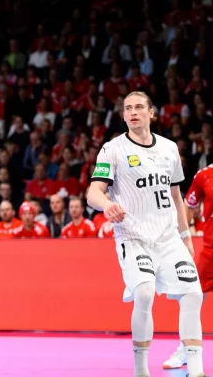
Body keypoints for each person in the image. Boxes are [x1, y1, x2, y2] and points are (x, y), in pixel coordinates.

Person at [86, 91, 205, 377]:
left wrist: (185, 235)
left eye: (139, 107)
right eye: (128, 108)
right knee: (144, 292)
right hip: (133, 236)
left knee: (193, 293)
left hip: (168, 238)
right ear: (124, 115)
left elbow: (176, 196)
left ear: (151, 113)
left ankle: (197, 369)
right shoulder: (112, 150)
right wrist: (107, 205)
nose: (133, 112)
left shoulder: (168, 148)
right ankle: (141, 370)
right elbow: (93, 192)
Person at [163, 162, 213, 369]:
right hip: (211, 251)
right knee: (191, 297)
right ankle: (185, 350)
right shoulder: (204, 175)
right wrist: (181, 237)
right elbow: (188, 207)